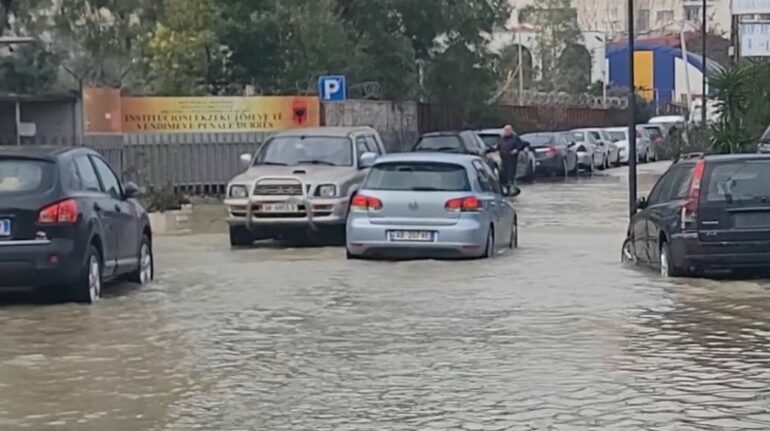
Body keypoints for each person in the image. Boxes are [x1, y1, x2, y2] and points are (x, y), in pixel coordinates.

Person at [498, 125, 528, 193]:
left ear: (511, 131)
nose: (507, 131)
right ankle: (503, 189)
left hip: (512, 159)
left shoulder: (515, 138)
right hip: (503, 159)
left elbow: (524, 144)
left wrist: (516, 150)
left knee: (510, 175)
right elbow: (498, 146)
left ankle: (510, 188)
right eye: (506, 130)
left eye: (508, 130)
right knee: (503, 175)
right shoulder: (502, 139)